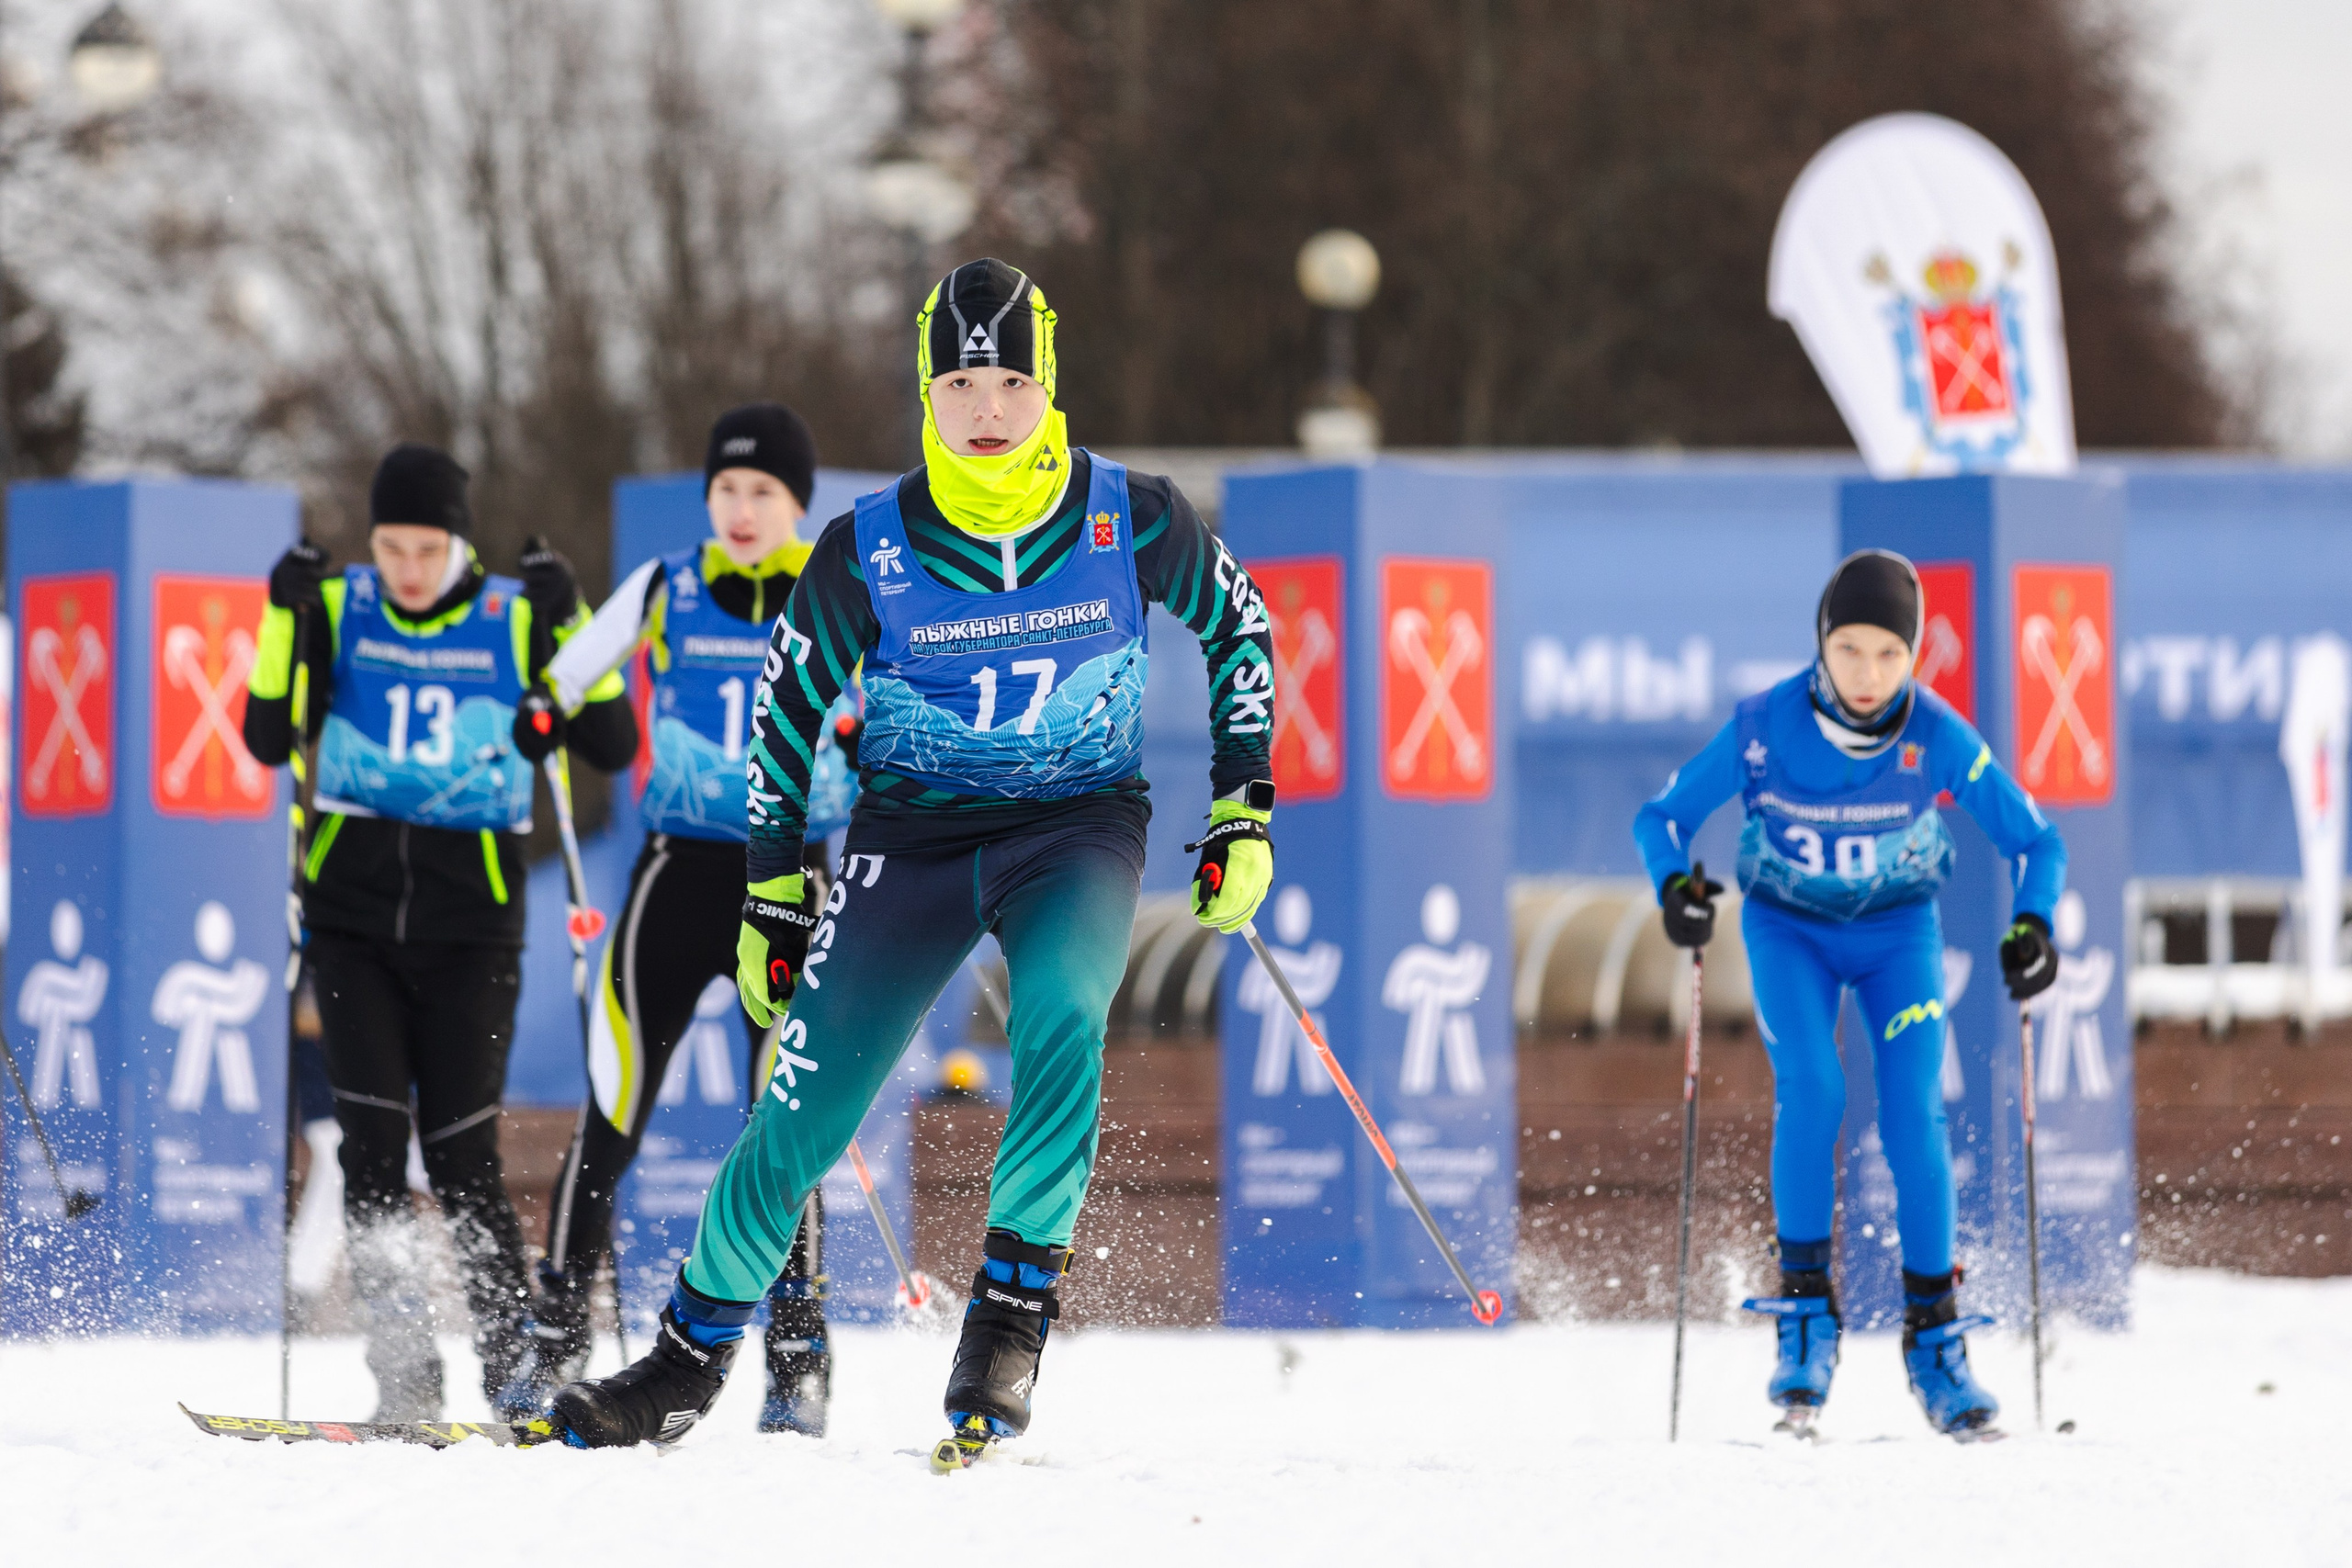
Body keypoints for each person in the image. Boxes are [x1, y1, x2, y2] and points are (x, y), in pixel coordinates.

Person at [549, 258, 1277, 1454]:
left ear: (1046, 386)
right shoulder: (868, 546)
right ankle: (683, 1361)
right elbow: (785, 717)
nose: (984, 411)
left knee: (1058, 1013)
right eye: (957, 386)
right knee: (799, 1112)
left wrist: (1242, 805)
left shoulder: (1128, 511)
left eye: (1005, 382)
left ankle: (1007, 1313)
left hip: (1076, 825)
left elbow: (1237, 626)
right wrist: (775, 889)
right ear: (926, 399)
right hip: (915, 841)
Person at [244, 444, 638, 1421]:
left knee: (462, 1154)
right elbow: (262, 735)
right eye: (389, 547)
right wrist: (280, 616)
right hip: (352, 926)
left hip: (473, 932)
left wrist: (571, 617)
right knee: (371, 1151)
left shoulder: (513, 618)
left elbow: (612, 741)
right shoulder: (338, 609)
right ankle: (406, 1377)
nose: (406, 569)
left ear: (459, 543)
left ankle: (511, 1368)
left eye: (425, 548)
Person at [1632, 549, 2063, 1438]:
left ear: (1915, 657)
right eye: (1851, 649)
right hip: (1789, 933)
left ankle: (1935, 1341)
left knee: (1913, 1111)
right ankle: (1805, 1322)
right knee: (1817, 1090)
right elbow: (1661, 817)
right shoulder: (1762, 729)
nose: (1869, 676)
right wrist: (1675, 886)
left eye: (1890, 655)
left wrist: (2034, 924)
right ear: (1821, 643)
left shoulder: (1939, 734)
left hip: (1898, 935)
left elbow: (2037, 842)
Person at [517, 402, 860, 1435]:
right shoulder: (667, 584)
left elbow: (893, 702)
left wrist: (867, 725)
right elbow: (570, 675)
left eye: (764, 492)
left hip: (791, 880)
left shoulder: (833, 586)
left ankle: (796, 1357)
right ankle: (553, 1341)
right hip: (675, 877)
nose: (742, 510)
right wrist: (550, 702)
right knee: (612, 1108)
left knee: (784, 1132)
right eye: (727, 490)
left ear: (797, 503)